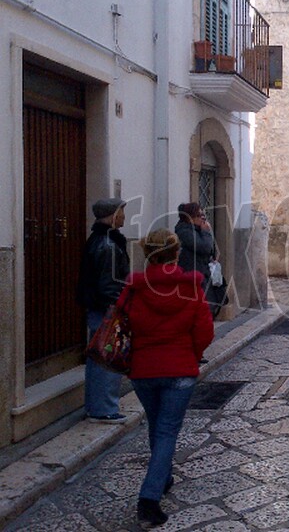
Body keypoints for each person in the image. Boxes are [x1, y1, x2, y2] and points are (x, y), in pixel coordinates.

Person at [125, 229, 214, 527]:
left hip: (143, 371)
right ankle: (148, 500)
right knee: (166, 431)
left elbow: (122, 322)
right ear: (177, 253)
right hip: (179, 371)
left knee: (158, 426)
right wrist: (192, 354)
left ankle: (161, 477)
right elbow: (204, 331)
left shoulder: (134, 288)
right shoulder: (190, 287)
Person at [76, 197, 130, 424]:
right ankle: (104, 409)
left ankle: (96, 406)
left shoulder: (102, 240)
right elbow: (109, 283)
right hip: (107, 310)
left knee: (98, 358)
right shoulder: (107, 245)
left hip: (101, 308)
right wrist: (118, 309)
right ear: (113, 214)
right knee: (107, 358)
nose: (124, 217)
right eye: (122, 212)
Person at [175, 202, 215, 297]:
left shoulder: (197, 230)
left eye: (203, 214)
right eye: (198, 215)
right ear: (190, 218)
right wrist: (206, 232)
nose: (202, 218)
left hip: (201, 274)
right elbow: (204, 247)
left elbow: (209, 248)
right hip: (192, 276)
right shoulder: (184, 232)